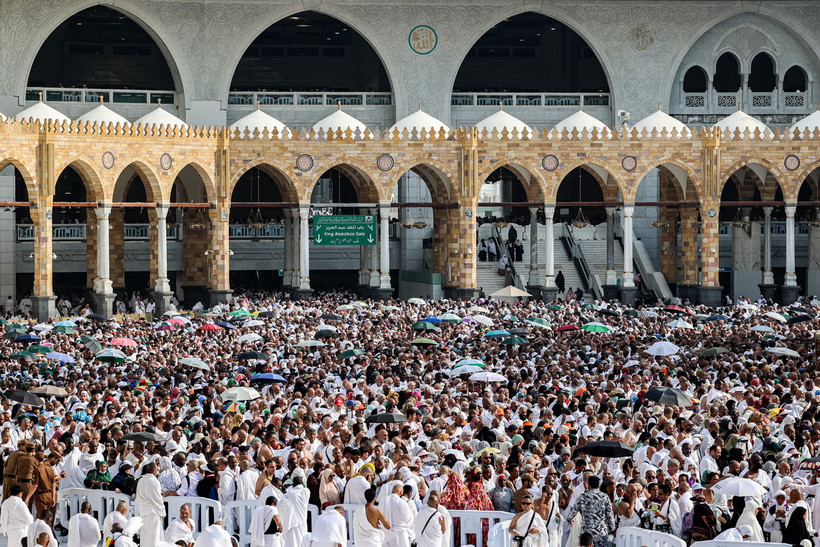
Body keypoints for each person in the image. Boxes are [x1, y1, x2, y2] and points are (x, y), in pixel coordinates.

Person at [566, 476, 615, 547]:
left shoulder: (582, 496)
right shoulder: (605, 497)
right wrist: (612, 529)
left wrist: (569, 519)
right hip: (601, 532)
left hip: (587, 533)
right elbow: (610, 515)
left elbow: (573, 512)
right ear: (598, 485)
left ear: (589, 484)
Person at [135, 462, 165, 547]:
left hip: (143, 510)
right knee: (154, 535)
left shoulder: (140, 480)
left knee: (145, 534)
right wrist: (162, 511)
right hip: (153, 512)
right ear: (154, 471)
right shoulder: (155, 481)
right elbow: (158, 498)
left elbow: (138, 496)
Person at [282, 473, 310, 547]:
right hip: (302, 521)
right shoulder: (306, 491)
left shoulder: (290, 492)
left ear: (293, 484)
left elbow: (284, 496)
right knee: (302, 541)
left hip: (293, 522)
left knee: (292, 542)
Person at [384, 483, 414, 547]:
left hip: (386, 535)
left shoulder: (383, 501)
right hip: (401, 535)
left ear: (392, 491)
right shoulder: (402, 503)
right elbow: (410, 519)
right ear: (401, 492)